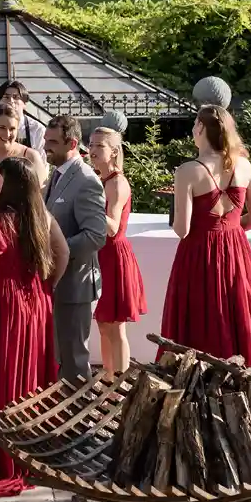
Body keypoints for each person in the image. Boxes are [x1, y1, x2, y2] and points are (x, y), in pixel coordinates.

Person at [0, 158, 68, 497]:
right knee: (29, 377)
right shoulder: (40, 216)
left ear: (8, 184)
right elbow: (62, 253)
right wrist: (45, 286)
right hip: (35, 303)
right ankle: (30, 453)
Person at [161, 105, 251, 386]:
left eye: (194, 125)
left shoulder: (188, 170)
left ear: (201, 128)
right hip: (237, 250)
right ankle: (246, 381)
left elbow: (182, 229)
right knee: (239, 313)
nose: (192, 130)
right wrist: (232, 230)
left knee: (202, 315)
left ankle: (197, 382)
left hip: (198, 252)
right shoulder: (243, 164)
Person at [43, 115, 107, 383]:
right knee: (59, 357)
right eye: (46, 141)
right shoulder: (57, 175)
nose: (46, 147)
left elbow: (95, 235)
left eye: (53, 143)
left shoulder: (86, 180)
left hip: (75, 285)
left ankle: (80, 423)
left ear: (72, 143)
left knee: (74, 359)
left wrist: (55, 251)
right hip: (59, 283)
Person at [88, 127, 146, 374]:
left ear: (113, 152)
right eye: (90, 144)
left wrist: (89, 205)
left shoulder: (117, 184)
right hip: (102, 255)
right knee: (103, 324)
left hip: (114, 256)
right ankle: (108, 381)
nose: (91, 150)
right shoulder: (101, 180)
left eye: (99, 146)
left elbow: (112, 227)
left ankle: (120, 385)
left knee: (116, 327)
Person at [0, 81, 46, 157]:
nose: (11, 101)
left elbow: (42, 165)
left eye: (16, 97)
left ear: (24, 104)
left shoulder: (37, 130)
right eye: (6, 97)